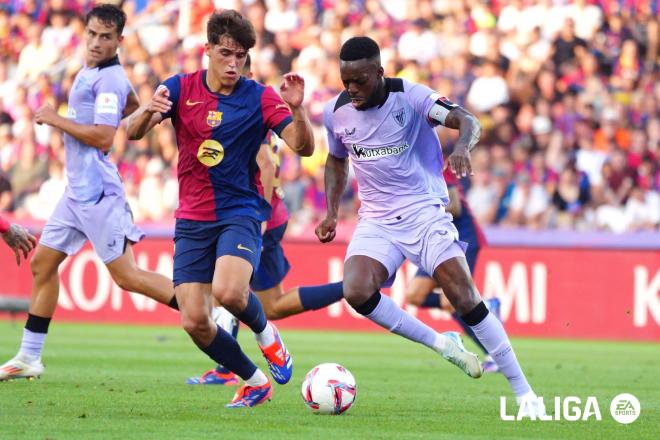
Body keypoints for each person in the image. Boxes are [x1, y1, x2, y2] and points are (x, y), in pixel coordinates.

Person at [315, 37, 544, 415]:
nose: (351, 89)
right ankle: (443, 345)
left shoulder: (411, 96)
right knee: (356, 290)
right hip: (377, 219)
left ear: (379, 73)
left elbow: (467, 120)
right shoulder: (335, 112)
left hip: (425, 212)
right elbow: (336, 161)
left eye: (359, 81)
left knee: (465, 297)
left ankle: (524, 393)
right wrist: (331, 212)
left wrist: (461, 147)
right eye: (345, 81)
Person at [126, 10, 314, 408]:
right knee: (194, 319)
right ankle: (255, 380)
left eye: (241, 56)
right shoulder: (179, 87)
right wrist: (147, 109)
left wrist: (297, 109)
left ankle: (268, 337)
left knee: (229, 292)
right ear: (207, 49)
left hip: (240, 211)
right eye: (226, 53)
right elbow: (132, 132)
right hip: (192, 217)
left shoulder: (260, 96)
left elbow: (303, 146)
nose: (233, 63)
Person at [0, 4, 182, 382]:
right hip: (76, 192)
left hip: (98, 193)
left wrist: (56, 119)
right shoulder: (96, 71)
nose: (97, 42)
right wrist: (138, 112)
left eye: (106, 37)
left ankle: (205, 310)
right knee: (42, 264)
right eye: (92, 35)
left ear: (120, 40)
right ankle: (30, 356)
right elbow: (130, 105)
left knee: (127, 277)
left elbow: (102, 136)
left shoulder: (110, 78)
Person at [406, 166, 501, 373]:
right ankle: (484, 305)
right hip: (439, 239)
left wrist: (418, 209)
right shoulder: (408, 169)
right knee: (414, 295)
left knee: (450, 302)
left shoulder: (436, 167)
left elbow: (455, 207)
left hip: (462, 238)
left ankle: (495, 353)